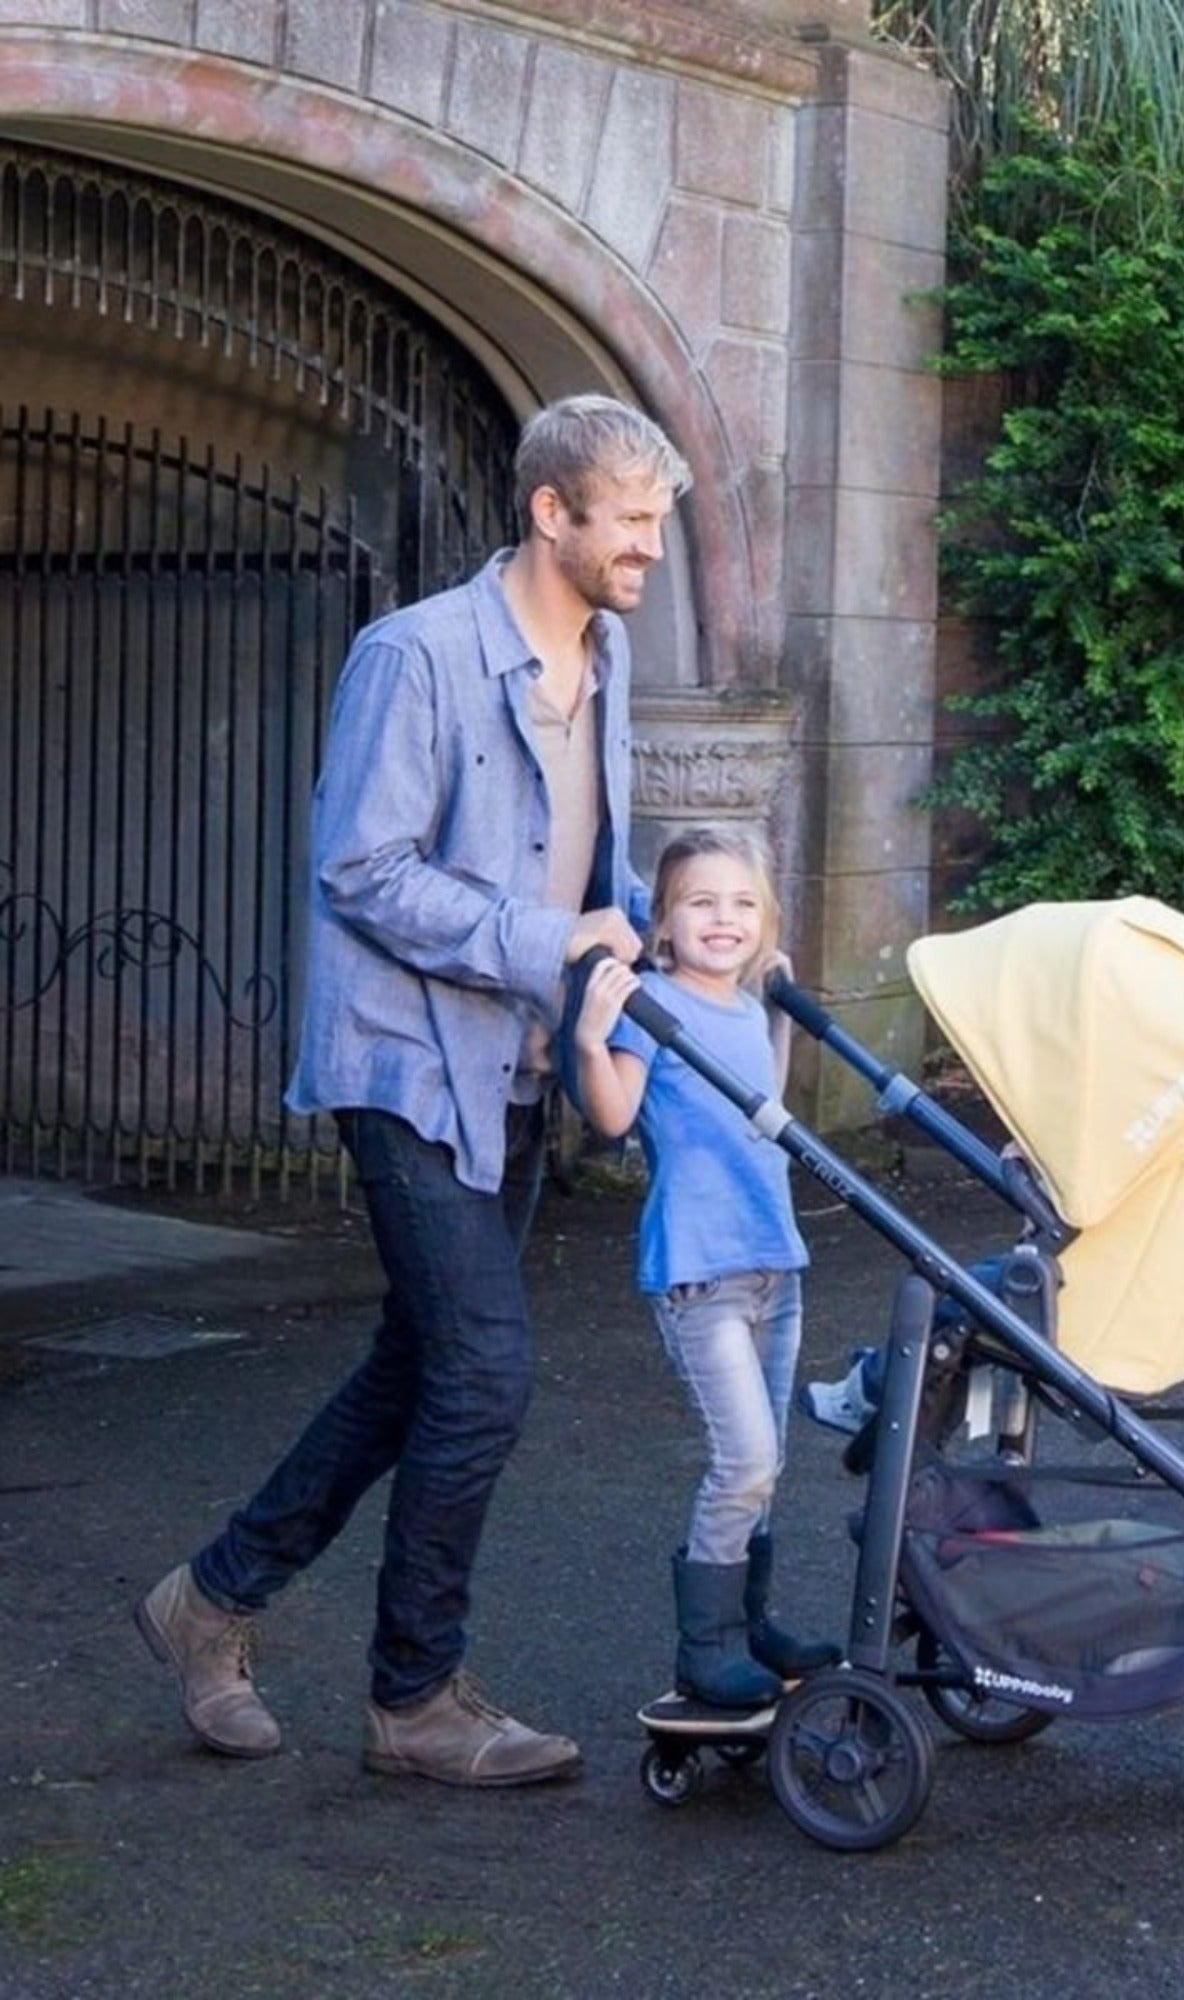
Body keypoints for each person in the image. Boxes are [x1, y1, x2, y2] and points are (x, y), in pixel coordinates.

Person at [135, 393, 687, 1787]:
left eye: (660, 521)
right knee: (486, 1371)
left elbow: (585, 860)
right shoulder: (417, 656)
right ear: (548, 511)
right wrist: (544, 940)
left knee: (422, 1364)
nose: (650, 550)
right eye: (629, 520)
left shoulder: (608, 654)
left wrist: (662, 936)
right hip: (404, 1064)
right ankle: (414, 1698)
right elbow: (361, 869)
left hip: (514, 1060)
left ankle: (208, 1602)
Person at [570, 824, 838, 1709]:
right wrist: (591, 1038)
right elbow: (614, 1118)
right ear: (664, 925)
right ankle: (707, 1644)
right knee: (744, 1458)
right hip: (700, 1276)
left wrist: (783, 1009)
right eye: (700, 902)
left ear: (765, 921)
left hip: (774, 1265)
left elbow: (766, 1105)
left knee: (770, 1464)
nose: (723, 918)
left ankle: (750, 1622)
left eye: (743, 903)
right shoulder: (656, 1006)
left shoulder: (744, 1010)